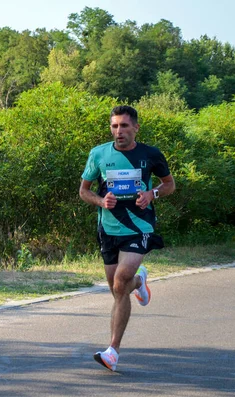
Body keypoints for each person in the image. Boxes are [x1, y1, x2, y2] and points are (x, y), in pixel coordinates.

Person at [79, 105, 175, 371]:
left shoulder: (150, 154)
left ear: (135, 128)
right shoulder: (98, 154)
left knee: (120, 282)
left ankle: (113, 351)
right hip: (108, 228)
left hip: (140, 226)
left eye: (123, 126)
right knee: (117, 288)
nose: (118, 131)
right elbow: (83, 191)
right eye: (114, 126)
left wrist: (152, 194)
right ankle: (140, 281)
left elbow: (169, 184)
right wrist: (101, 200)